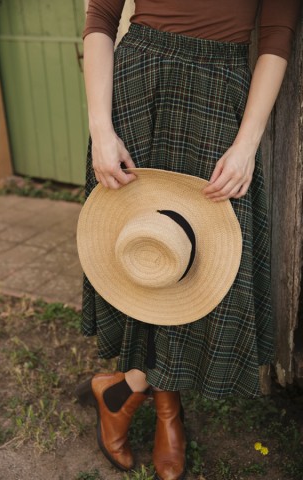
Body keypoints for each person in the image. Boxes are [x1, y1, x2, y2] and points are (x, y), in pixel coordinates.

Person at [77, 2, 301, 479]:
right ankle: (165, 412)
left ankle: (123, 391)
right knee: (145, 256)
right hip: (137, 89)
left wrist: (247, 144)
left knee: (204, 264)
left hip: (222, 101)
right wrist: (101, 128)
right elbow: (99, 17)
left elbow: (277, 35)